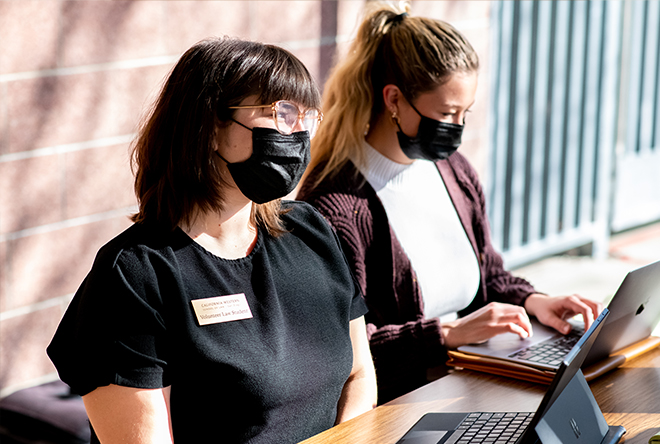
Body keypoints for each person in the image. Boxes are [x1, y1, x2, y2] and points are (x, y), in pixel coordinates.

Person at [47, 37, 377, 443]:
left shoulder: (310, 230)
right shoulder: (135, 273)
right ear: (210, 127)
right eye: (281, 114)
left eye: (306, 117)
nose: (299, 134)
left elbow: (359, 374)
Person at [297, 4, 602, 403]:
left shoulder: (454, 170)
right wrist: (447, 334)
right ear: (394, 100)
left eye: (464, 113)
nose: (456, 128)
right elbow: (337, 350)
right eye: (446, 113)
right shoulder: (335, 205)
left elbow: (489, 275)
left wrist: (535, 302)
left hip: (477, 383)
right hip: (403, 402)